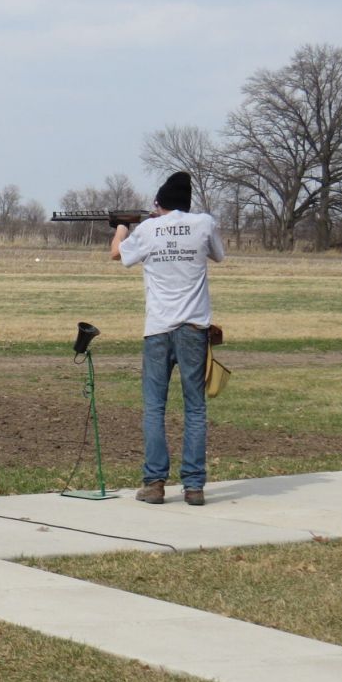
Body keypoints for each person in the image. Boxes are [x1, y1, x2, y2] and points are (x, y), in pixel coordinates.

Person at [111, 171, 225, 506]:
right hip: (194, 330)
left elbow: (117, 254)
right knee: (195, 408)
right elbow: (218, 254)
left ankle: (155, 483)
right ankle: (193, 486)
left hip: (158, 329)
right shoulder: (204, 223)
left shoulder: (146, 229)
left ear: (158, 204)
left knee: (154, 407)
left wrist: (121, 225)